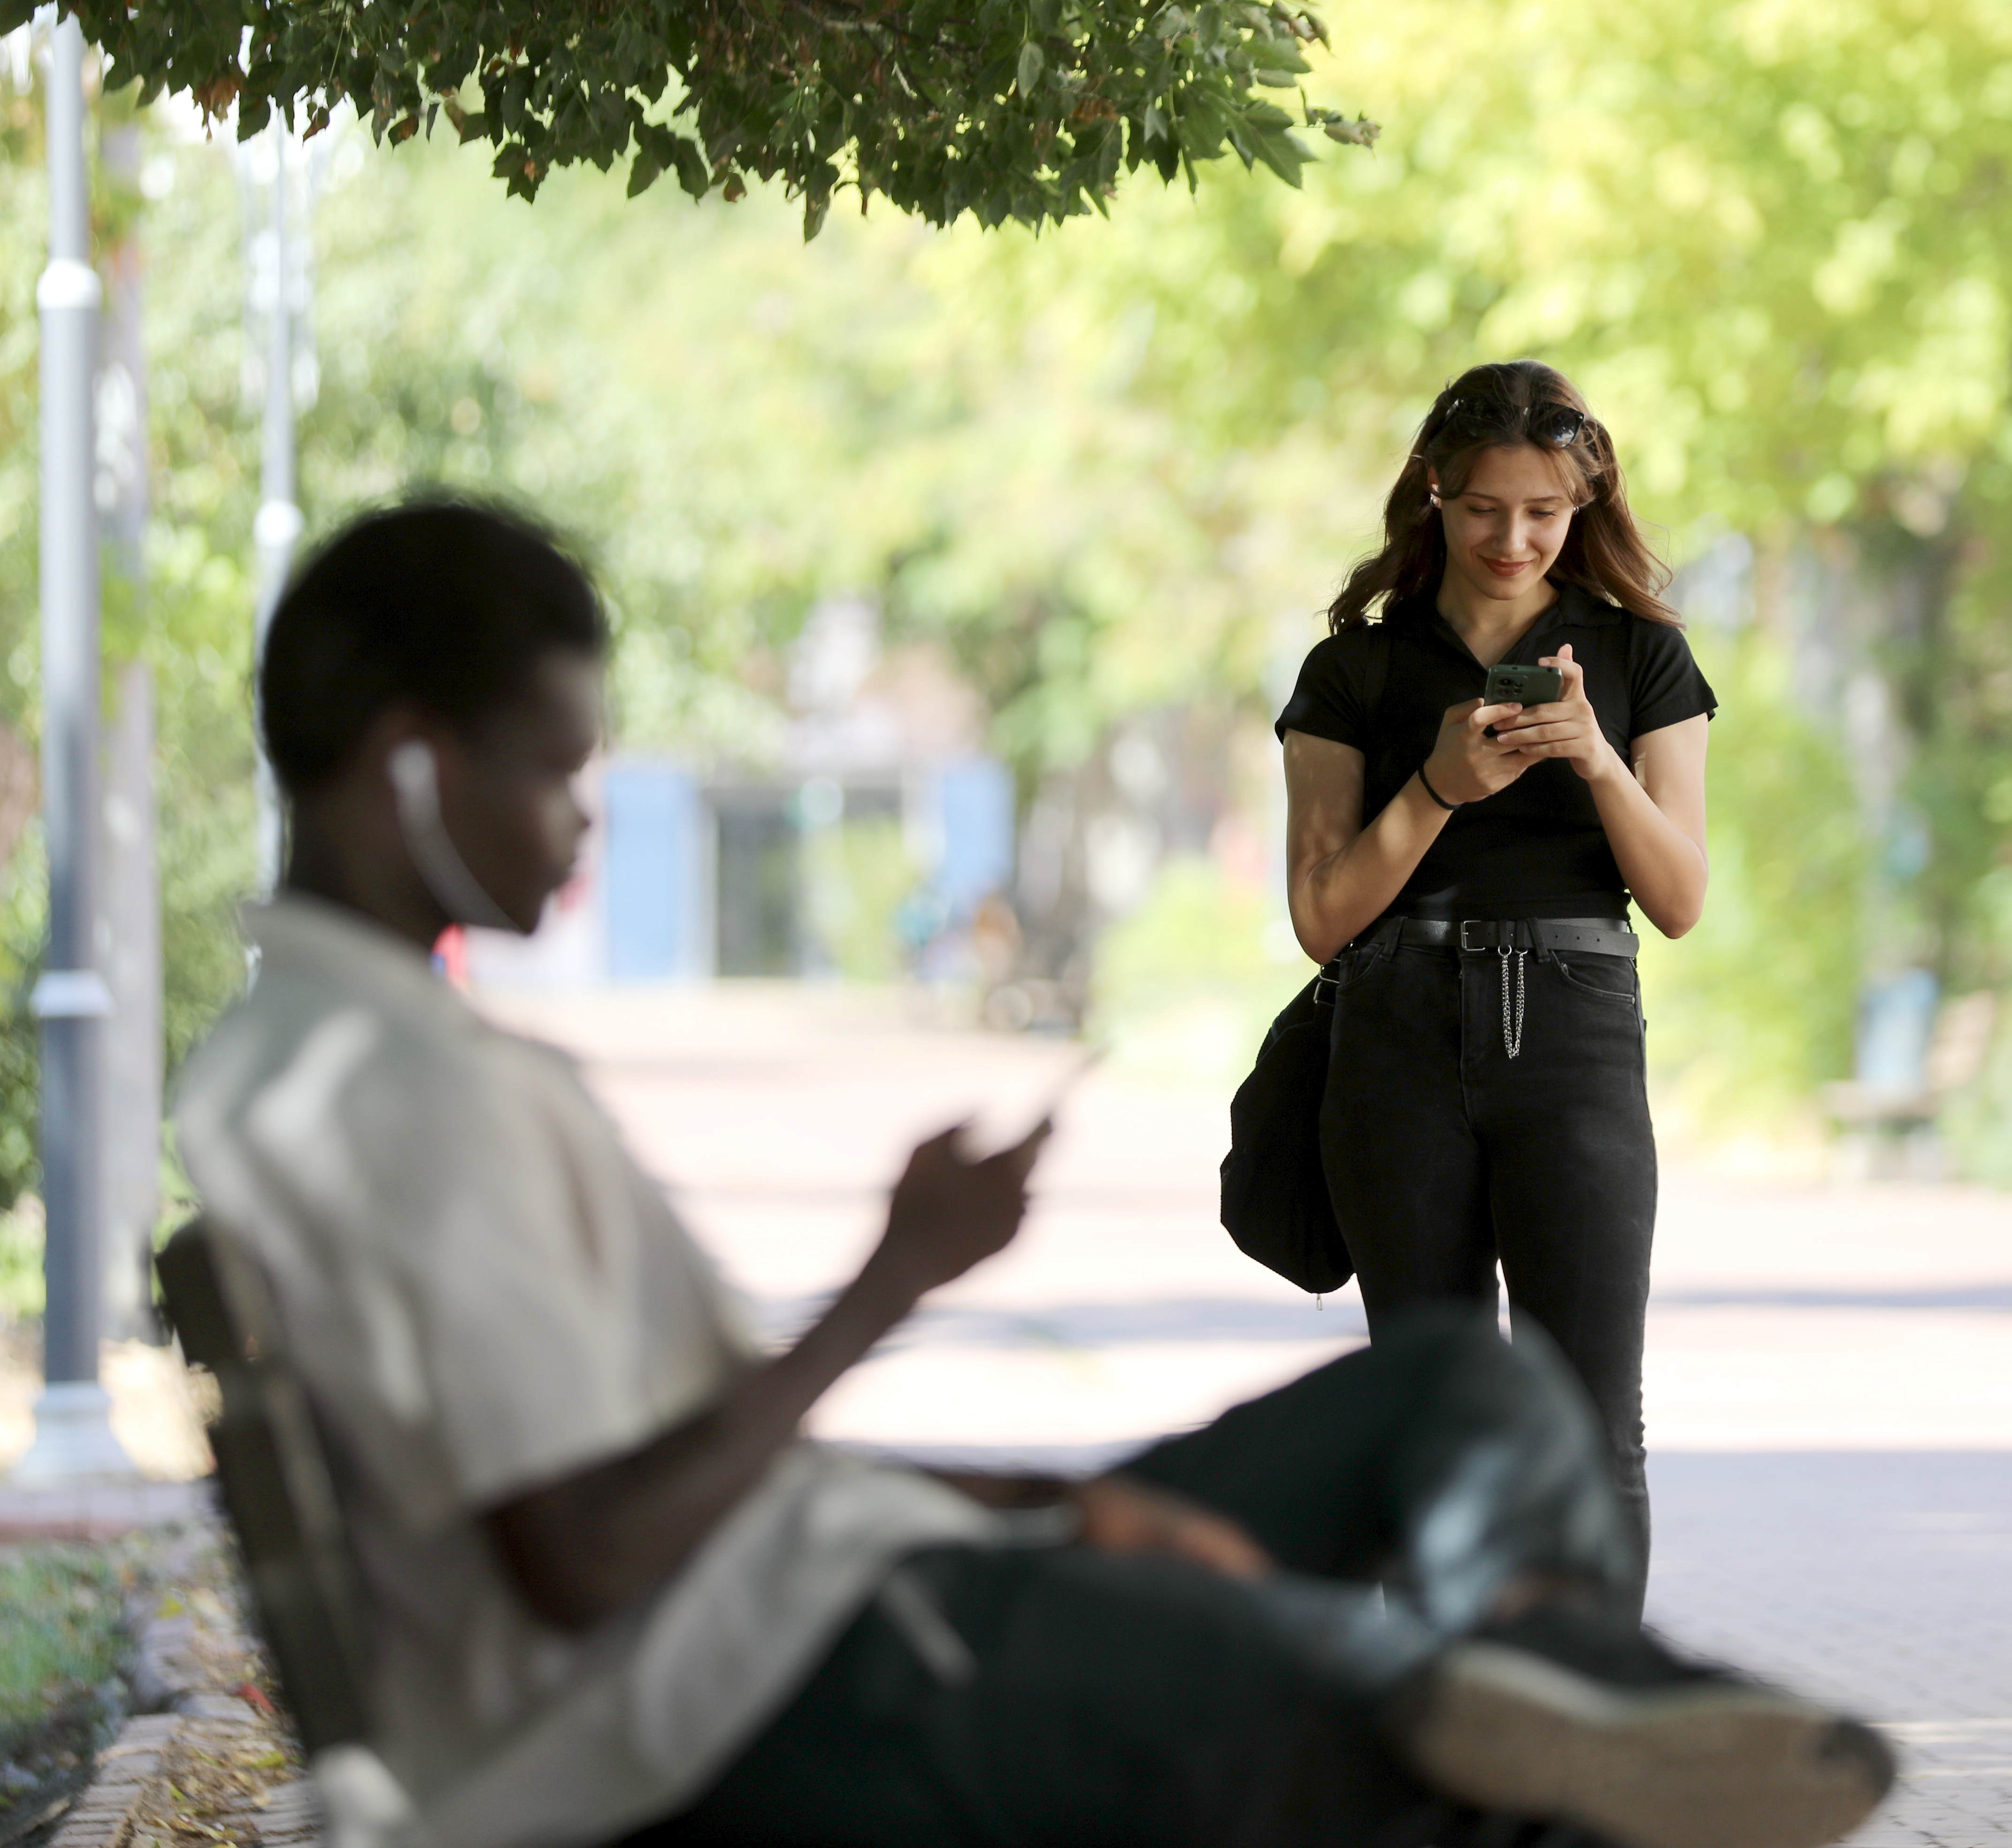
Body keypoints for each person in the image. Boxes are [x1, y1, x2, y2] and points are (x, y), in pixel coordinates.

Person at [175, 498, 1887, 1848]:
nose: (580, 821)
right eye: (556, 768)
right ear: (411, 763)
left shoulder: (355, 1060)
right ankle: (1535, 1709)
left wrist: (1037, 1507)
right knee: (1416, 1731)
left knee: (1454, 1391)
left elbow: (651, 1478)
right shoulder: (385, 1091)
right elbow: (586, 1555)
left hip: (829, 1602)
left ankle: (1548, 1677)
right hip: (761, 1700)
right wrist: (891, 1285)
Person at [1277, 361, 1715, 1610]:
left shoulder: (1641, 655)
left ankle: (1589, 1704)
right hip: (1399, 1040)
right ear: (1434, 490)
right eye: (1483, 508)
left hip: (1575, 1035)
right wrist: (1437, 789)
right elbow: (1320, 919)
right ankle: (1439, 1705)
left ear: (1585, 504)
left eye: (1544, 512)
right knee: (1430, 1414)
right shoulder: (1356, 671)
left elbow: (1680, 898)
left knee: (1590, 1420)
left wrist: (1597, 763)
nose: (1513, 539)